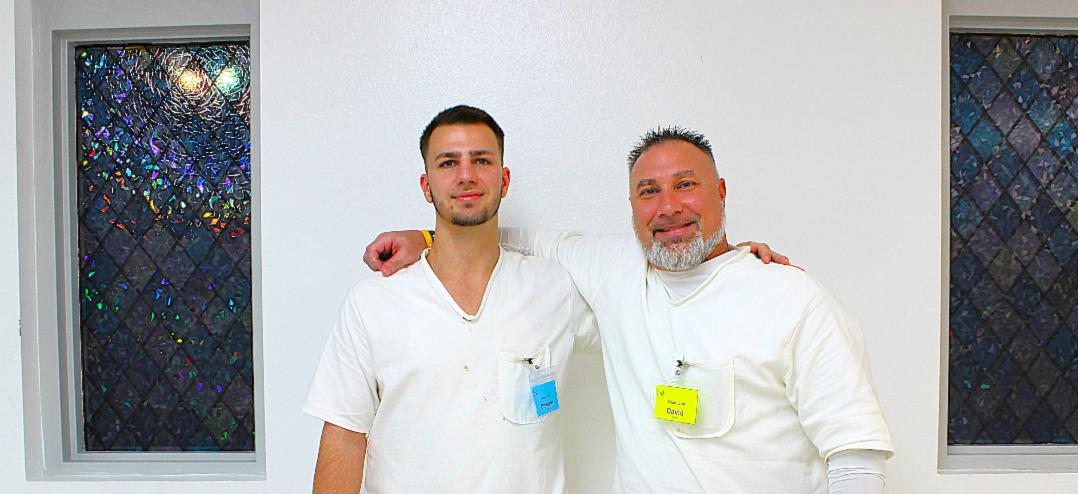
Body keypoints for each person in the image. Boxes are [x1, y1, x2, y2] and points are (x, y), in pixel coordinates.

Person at [364, 126, 894, 493]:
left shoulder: (793, 300)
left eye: (686, 185)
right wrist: (429, 236)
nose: (669, 206)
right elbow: (524, 240)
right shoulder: (616, 270)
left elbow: (856, 457)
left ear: (721, 192)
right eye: (648, 191)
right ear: (632, 207)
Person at [304, 105, 599, 494]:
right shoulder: (373, 302)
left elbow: (634, 322)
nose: (466, 175)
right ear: (426, 186)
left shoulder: (555, 289)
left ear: (504, 180)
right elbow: (344, 435)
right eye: (448, 163)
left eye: (482, 160)